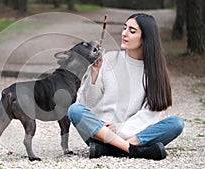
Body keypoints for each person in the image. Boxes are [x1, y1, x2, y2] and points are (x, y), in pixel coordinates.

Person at [67, 13, 184, 160]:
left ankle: (109, 150)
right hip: (99, 132)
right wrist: (94, 75)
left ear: (145, 39)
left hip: (131, 133)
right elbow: (87, 104)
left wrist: (119, 129)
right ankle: (132, 150)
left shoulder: (153, 73)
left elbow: (148, 115)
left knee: (176, 124)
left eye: (132, 31)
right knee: (74, 110)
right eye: (124, 28)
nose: (124, 33)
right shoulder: (109, 59)